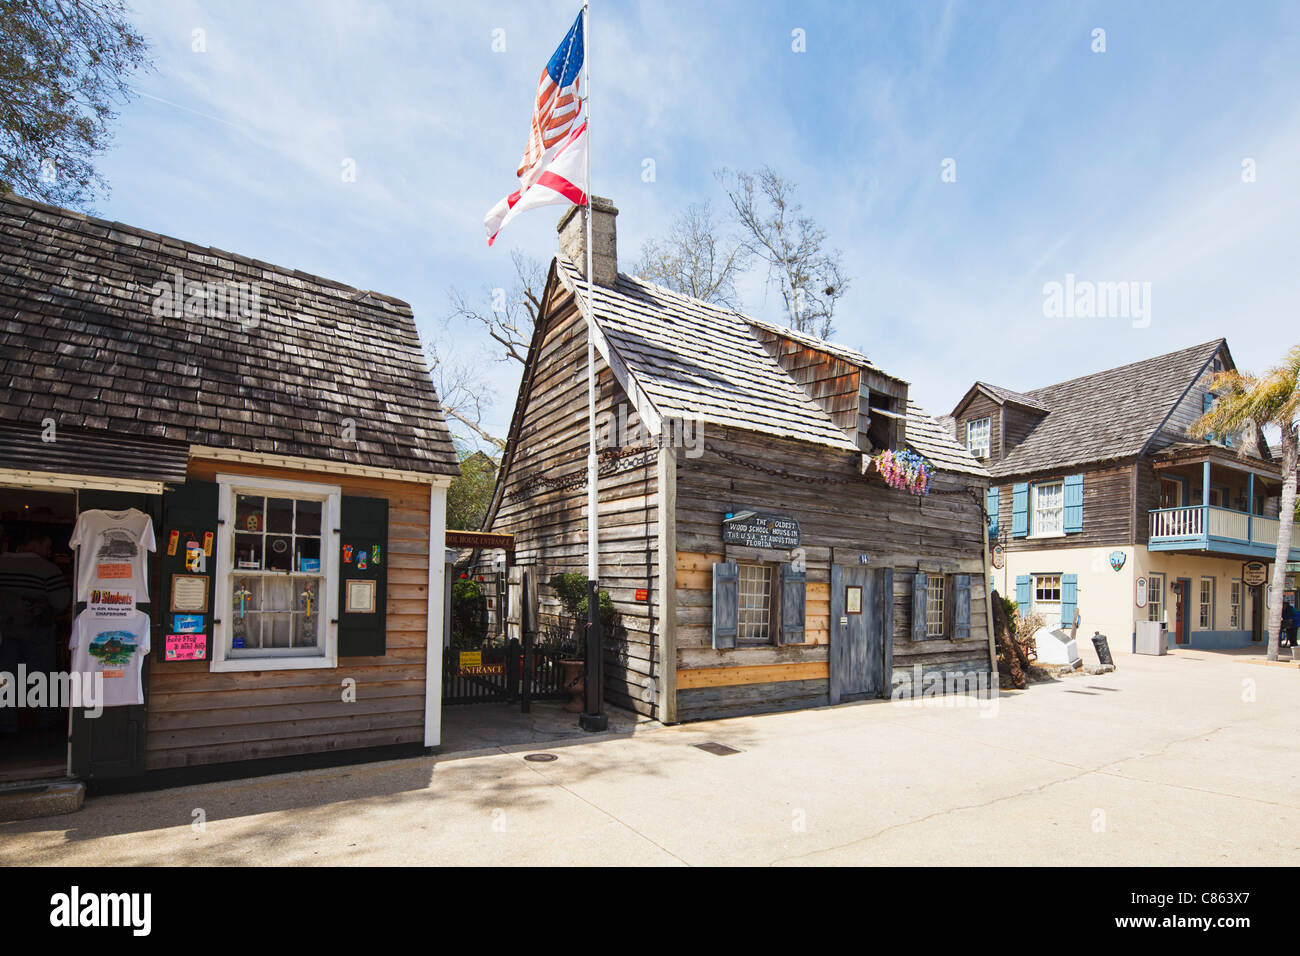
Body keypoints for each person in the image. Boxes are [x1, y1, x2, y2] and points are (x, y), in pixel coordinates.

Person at [0, 532, 73, 733]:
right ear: (33, 543)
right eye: (47, 546)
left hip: (5, 631)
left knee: (5, 677)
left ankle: (7, 723)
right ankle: (46, 722)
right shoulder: (47, 569)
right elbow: (61, 601)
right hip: (36, 629)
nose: (49, 552)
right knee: (42, 676)